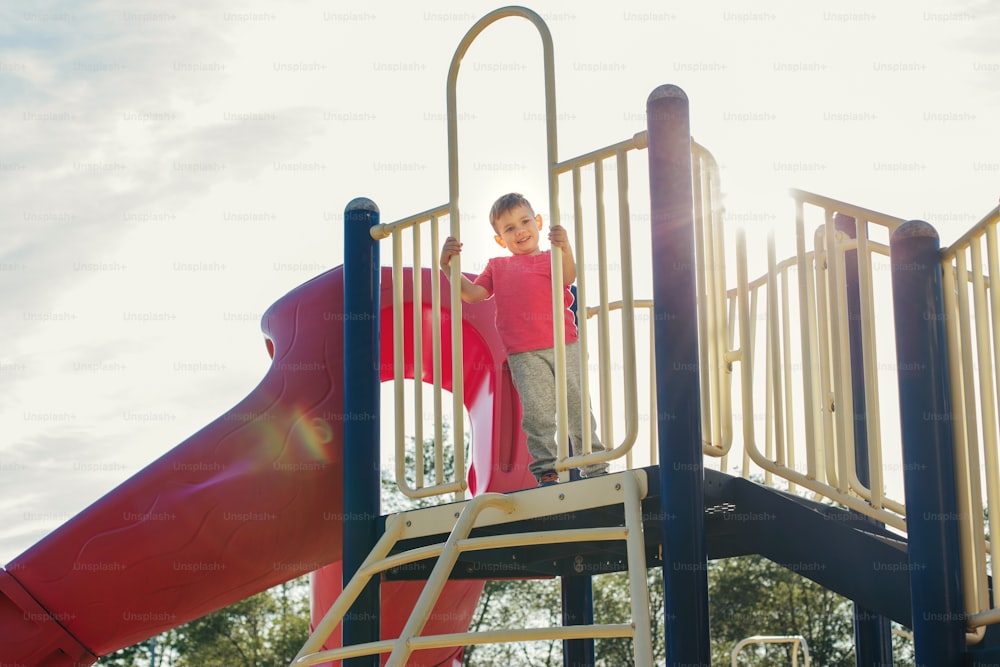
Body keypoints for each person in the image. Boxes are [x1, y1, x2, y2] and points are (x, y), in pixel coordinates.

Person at [440, 192, 609, 486]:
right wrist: (448, 267)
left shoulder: (551, 257)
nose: (519, 230)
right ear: (499, 239)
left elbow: (568, 276)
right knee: (538, 414)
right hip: (524, 354)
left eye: (524, 221)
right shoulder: (497, 267)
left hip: (563, 344)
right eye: (509, 228)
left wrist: (565, 246)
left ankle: (593, 466)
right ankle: (546, 470)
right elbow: (471, 295)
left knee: (578, 406)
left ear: (538, 222)